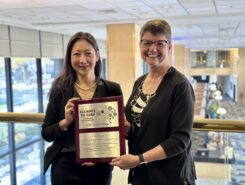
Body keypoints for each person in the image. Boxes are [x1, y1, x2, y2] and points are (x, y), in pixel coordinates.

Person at [111, 19, 196, 185]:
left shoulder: (180, 86)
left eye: (160, 43)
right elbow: (142, 125)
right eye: (147, 43)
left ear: (169, 47)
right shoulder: (140, 82)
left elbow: (180, 140)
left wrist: (138, 159)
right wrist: (128, 129)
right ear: (140, 45)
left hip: (169, 176)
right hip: (143, 174)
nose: (152, 49)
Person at [41, 32, 123, 185]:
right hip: (65, 167)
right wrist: (65, 122)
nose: (82, 60)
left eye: (88, 54)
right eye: (76, 54)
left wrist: (100, 154)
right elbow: (46, 132)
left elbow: (118, 135)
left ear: (97, 56)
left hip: (100, 168)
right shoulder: (60, 89)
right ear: (69, 57)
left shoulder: (111, 89)